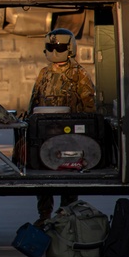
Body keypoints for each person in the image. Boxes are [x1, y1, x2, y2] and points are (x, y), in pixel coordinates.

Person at [26, 28, 96, 226]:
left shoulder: (79, 75)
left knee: (69, 176)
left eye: (59, 47)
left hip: (70, 133)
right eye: (51, 47)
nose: (55, 51)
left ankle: (67, 215)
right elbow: (34, 101)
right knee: (43, 178)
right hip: (45, 134)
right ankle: (45, 216)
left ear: (70, 48)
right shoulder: (44, 74)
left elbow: (89, 105)